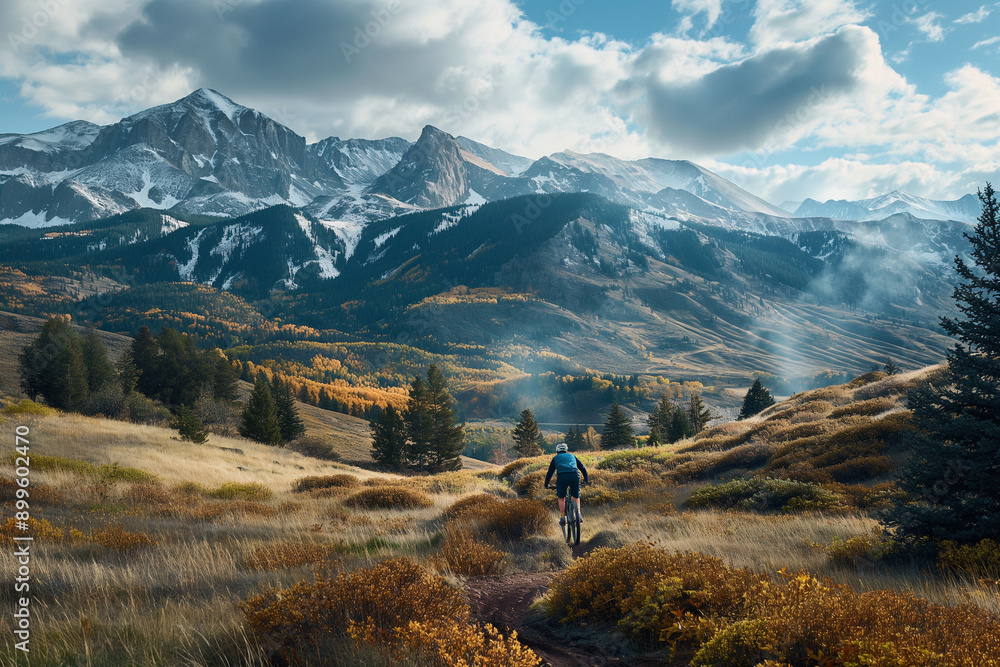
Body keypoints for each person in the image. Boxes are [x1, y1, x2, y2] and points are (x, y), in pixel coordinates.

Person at [543, 442, 589, 524]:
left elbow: (550, 473)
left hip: (562, 477)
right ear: (566, 450)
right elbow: (582, 468)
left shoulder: (555, 458)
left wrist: (546, 484)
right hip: (575, 475)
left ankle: (562, 517)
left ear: (557, 450)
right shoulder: (572, 456)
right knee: (576, 496)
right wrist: (586, 479)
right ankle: (578, 514)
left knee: (561, 497)